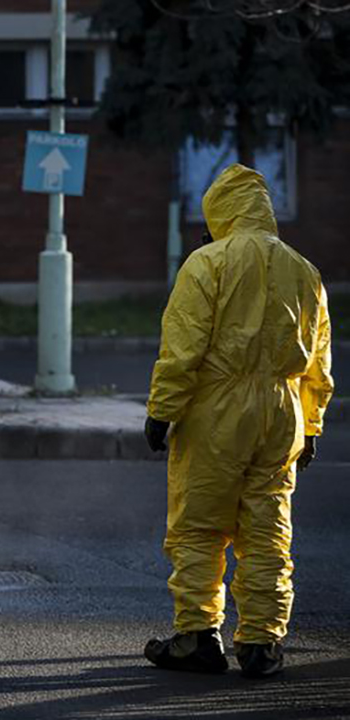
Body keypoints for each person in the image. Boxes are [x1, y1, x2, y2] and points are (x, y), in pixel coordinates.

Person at [143, 164, 334, 678]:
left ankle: (198, 636)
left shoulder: (208, 263)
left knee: (200, 525)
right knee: (268, 528)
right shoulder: (304, 270)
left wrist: (162, 411)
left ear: (218, 214)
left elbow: (184, 347)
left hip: (219, 410)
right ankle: (262, 643)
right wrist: (311, 425)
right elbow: (318, 361)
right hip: (282, 410)